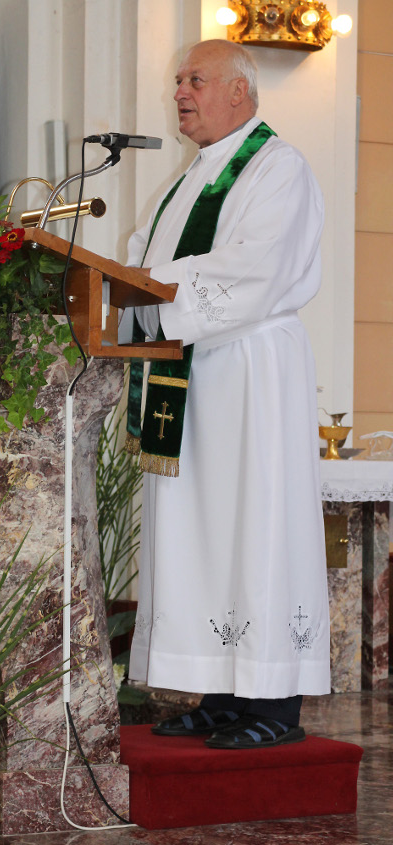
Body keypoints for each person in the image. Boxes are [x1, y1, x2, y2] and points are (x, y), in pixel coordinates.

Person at [126, 39, 330, 749]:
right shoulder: (186, 181)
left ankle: (273, 703)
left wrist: (154, 293)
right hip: (192, 373)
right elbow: (141, 264)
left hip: (249, 375)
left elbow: (255, 268)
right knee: (203, 531)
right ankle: (218, 693)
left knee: (255, 523)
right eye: (179, 81)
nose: (180, 92)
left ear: (240, 91)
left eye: (195, 80)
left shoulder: (277, 167)